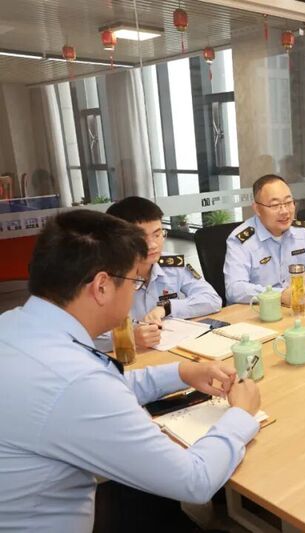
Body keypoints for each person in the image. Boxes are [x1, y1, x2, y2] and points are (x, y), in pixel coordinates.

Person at [0, 209, 262, 531]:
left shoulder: (16, 325)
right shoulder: (77, 382)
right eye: (134, 281)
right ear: (101, 287)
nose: (136, 290)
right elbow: (195, 480)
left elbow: (104, 384)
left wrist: (181, 372)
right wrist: (241, 415)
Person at [106, 197, 221, 349]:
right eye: (141, 238)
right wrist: (129, 336)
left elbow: (212, 299)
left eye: (157, 234)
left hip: (171, 349)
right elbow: (84, 334)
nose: (153, 245)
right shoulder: (102, 277)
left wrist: (167, 307)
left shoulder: (172, 264)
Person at [224, 174, 305, 305]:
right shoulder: (241, 240)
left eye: (288, 202)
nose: (285, 211)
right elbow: (234, 289)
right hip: (260, 312)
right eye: (275, 205)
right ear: (257, 209)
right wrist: (280, 295)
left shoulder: (300, 231)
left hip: (297, 307)